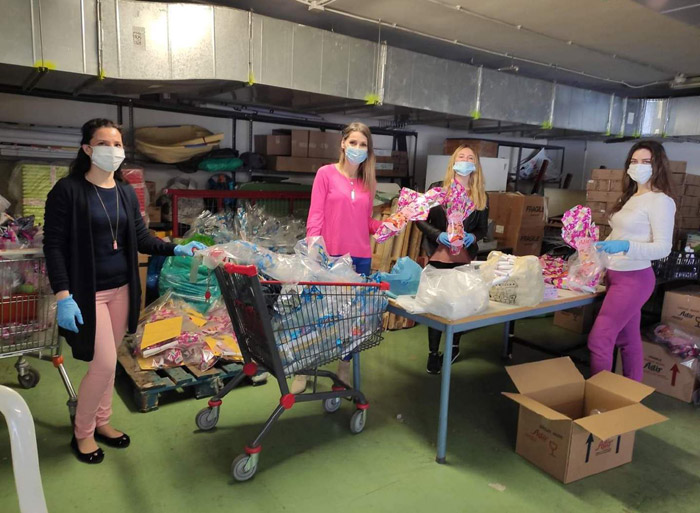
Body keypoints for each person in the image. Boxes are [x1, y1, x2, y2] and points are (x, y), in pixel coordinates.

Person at [44, 119, 205, 464]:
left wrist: (175, 247)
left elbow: (141, 238)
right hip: (88, 293)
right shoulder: (68, 190)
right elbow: (53, 246)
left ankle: (102, 421)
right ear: (87, 149)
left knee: (111, 363)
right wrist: (63, 295)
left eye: (117, 144)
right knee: (102, 364)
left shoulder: (124, 192)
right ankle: (83, 433)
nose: (113, 150)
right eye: (104, 143)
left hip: (122, 290)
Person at [294, 122, 381, 393]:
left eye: (363, 144)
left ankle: (344, 367)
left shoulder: (368, 182)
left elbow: (365, 221)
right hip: (329, 256)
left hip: (359, 258)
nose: (357, 148)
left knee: (351, 318)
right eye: (353, 142)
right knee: (313, 315)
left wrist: (385, 226)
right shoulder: (326, 174)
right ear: (343, 144)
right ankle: (303, 367)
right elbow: (316, 214)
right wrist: (314, 248)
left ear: (368, 150)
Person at [589, 140, 675, 381]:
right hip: (614, 275)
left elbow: (663, 248)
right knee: (627, 339)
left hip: (634, 279)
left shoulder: (661, 201)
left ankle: (598, 396)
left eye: (646, 162)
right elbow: (619, 233)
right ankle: (631, 392)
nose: (639, 166)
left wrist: (626, 246)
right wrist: (598, 252)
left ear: (658, 165)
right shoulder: (631, 197)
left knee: (599, 339)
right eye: (634, 161)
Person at [416, 144, 489, 374]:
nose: (465, 161)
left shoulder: (480, 195)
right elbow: (420, 219)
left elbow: (483, 229)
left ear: (475, 164)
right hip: (439, 254)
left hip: (464, 257)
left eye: (470, 158)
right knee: (437, 303)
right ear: (453, 162)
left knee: (460, 303)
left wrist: (472, 236)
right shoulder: (437, 189)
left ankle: (454, 346)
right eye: (461, 156)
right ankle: (433, 352)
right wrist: (437, 235)